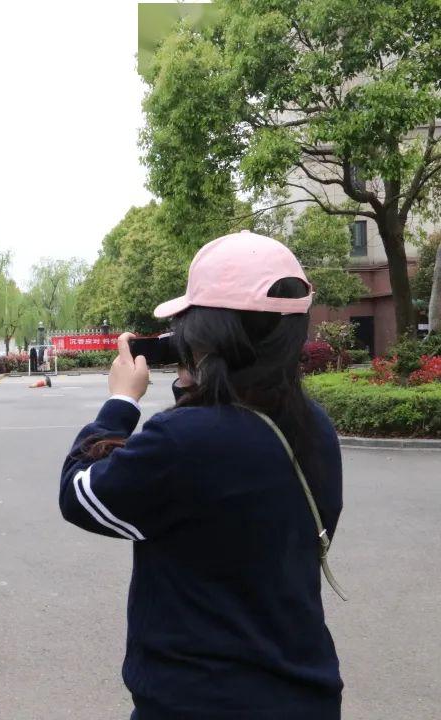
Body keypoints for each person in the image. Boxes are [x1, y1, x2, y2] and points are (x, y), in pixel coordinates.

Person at [59, 231, 344, 719]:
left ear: (207, 333)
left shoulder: (184, 440)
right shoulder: (315, 426)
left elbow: (79, 493)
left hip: (199, 701)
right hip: (305, 694)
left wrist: (120, 401)